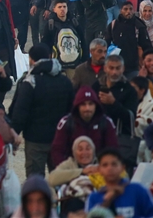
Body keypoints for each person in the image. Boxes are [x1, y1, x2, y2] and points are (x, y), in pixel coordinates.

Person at [10, 44, 74, 177]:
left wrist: (13, 135)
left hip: (35, 140)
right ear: (50, 57)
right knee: (60, 181)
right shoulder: (64, 81)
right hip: (60, 139)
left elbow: (20, 112)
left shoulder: (29, 82)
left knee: (35, 182)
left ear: (31, 60)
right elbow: (72, 111)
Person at [51, 86, 119, 166]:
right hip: (71, 170)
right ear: (77, 106)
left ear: (96, 105)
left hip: (99, 169)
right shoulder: (66, 123)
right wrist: (69, 169)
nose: (87, 108)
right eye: (83, 104)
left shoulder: (106, 122)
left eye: (91, 104)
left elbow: (113, 151)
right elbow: (57, 151)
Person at [85, 148, 153, 217]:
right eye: (105, 165)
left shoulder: (138, 190)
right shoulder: (94, 197)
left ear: (122, 168)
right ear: (99, 170)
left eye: (114, 164)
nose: (110, 168)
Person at [47, 136, 102, 214]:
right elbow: (51, 179)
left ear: (93, 151)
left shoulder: (101, 165)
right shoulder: (69, 164)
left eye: (88, 149)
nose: (84, 153)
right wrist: (82, 171)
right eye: (80, 149)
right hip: (72, 205)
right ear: (74, 152)